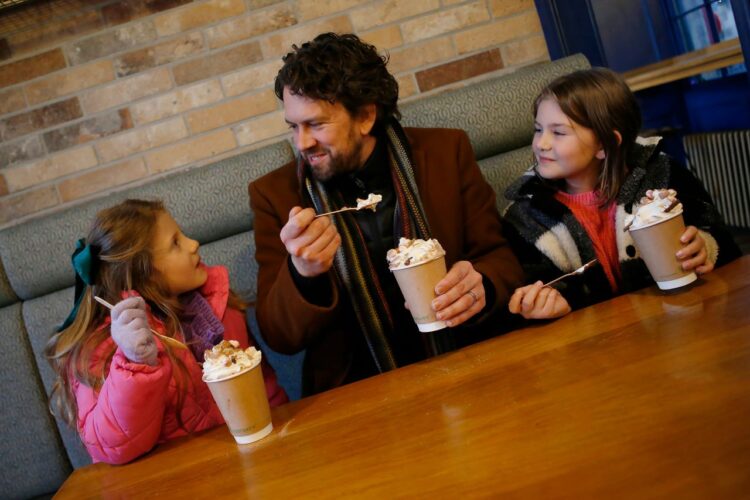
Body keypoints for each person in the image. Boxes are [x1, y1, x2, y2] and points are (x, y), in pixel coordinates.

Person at [249, 33, 524, 395]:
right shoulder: (275, 196)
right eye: (293, 127)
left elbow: (501, 259)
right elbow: (279, 337)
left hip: (469, 363)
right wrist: (303, 275)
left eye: (316, 124)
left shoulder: (445, 153)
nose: (301, 144)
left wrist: (481, 285)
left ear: (365, 116)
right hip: (359, 392)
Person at [45, 199, 288, 465]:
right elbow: (110, 446)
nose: (193, 243)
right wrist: (134, 364)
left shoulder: (220, 310)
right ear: (143, 272)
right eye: (176, 242)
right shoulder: (103, 348)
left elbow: (262, 389)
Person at [503, 67, 741, 320]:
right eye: (538, 129)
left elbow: (725, 247)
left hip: (684, 319)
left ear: (605, 145)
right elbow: (537, 285)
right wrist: (552, 301)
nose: (541, 143)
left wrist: (705, 247)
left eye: (558, 132)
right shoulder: (526, 215)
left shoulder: (662, 175)